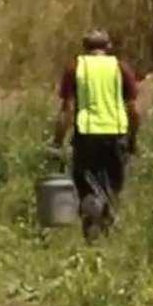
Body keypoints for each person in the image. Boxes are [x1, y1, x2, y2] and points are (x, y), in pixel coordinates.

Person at [56, 29, 141, 234]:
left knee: (87, 186)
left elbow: (66, 111)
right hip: (116, 134)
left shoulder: (75, 68)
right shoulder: (120, 68)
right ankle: (107, 230)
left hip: (86, 136)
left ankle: (92, 230)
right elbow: (133, 110)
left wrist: (57, 141)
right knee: (113, 186)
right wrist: (133, 138)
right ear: (108, 47)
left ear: (85, 48)